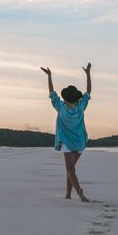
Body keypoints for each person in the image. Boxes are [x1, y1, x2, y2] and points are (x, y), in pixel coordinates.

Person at [40, 63, 92, 202]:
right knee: (71, 169)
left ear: (66, 98)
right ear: (76, 98)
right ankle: (68, 194)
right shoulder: (81, 107)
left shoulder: (61, 107)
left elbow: (51, 93)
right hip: (80, 142)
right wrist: (88, 74)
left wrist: (50, 76)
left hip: (67, 143)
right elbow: (88, 92)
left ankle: (79, 191)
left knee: (70, 170)